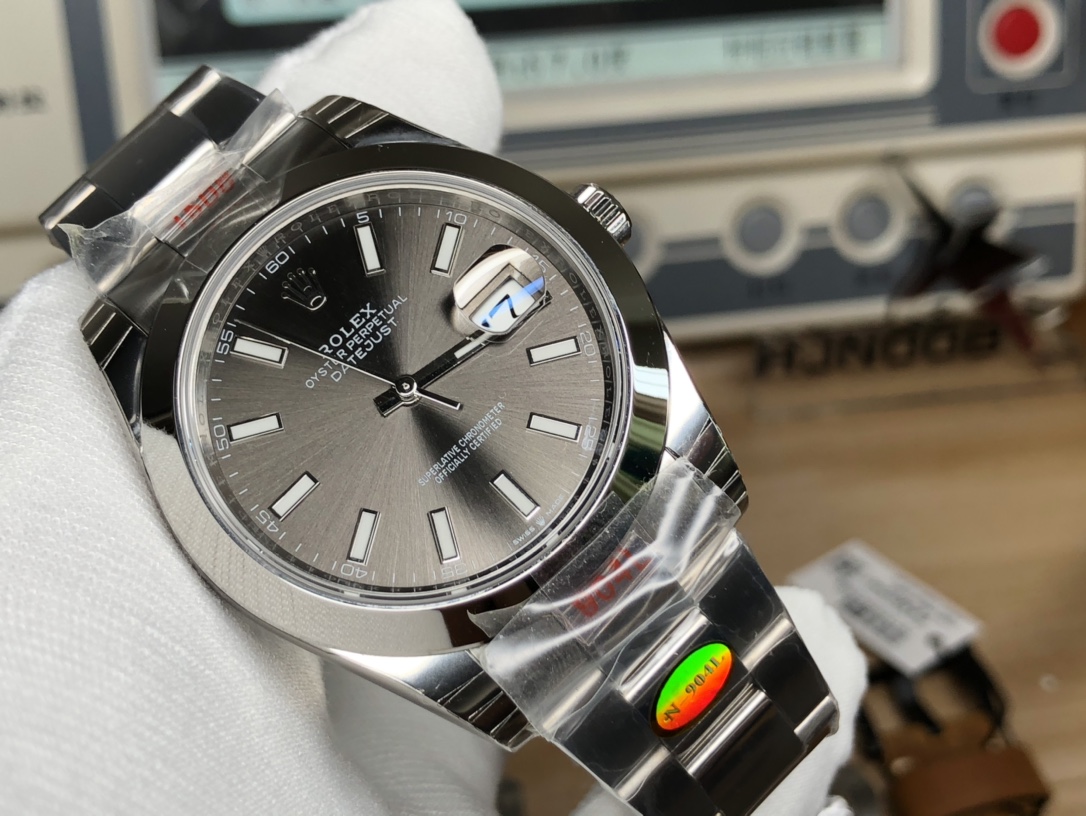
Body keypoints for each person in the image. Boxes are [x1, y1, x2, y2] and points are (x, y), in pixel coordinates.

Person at [0, 1, 865, 813]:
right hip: (509, 629)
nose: (408, 391)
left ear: (584, 227)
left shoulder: (360, 163)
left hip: (634, 501)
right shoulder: (150, 368)